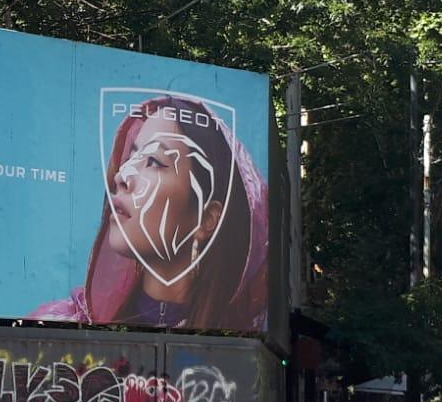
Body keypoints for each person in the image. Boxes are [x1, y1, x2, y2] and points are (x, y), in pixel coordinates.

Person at [31, 94, 268, 330]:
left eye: (154, 161)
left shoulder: (245, 338)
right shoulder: (60, 323)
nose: (121, 176)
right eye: (132, 155)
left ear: (207, 219)